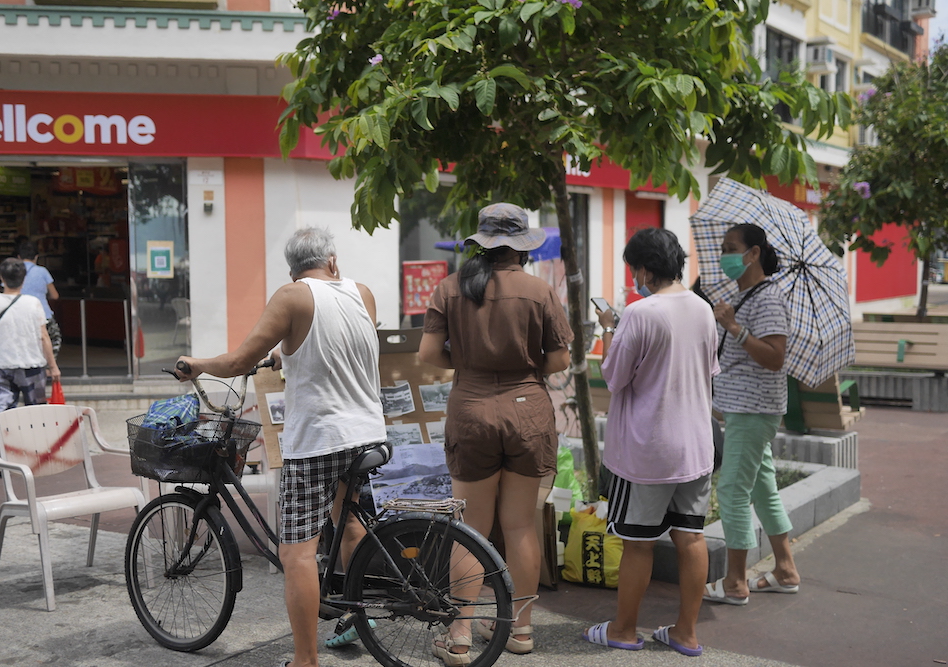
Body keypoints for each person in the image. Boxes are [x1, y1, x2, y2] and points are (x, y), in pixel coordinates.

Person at [174, 227, 386, 667]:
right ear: (332, 261)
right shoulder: (361, 293)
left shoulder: (292, 297)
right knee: (347, 524)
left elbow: (236, 363)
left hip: (319, 442)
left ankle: (305, 661)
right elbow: (336, 340)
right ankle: (358, 615)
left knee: (297, 553)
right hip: (366, 433)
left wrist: (196, 364)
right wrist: (287, 355)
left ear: (293, 271)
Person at [419, 203, 573, 664]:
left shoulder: (449, 288)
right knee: (520, 524)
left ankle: (461, 634)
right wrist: (524, 371)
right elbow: (561, 359)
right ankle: (519, 629)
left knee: (470, 528)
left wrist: (468, 364)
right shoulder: (539, 290)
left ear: (481, 242)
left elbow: (429, 353)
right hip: (529, 411)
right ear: (522, 247)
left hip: (471, 409)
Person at [580, 228, 717, 658]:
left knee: (638, 542)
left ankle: (623, 629)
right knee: (691, 538)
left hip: (648, 451)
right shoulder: (703, 309)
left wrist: (608, 331)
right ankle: (686, 634)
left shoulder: (640, 314)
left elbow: (615, 376)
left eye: (634, 270)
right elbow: (705, 368)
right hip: (696, 446)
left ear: (643, 269)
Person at [702, 222, 801, 606]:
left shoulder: (768, 298)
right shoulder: (744, 295)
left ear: (753, 253)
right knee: (763, 488)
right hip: (744, 409)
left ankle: (735, 582)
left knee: (731, 491)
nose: (725, 255)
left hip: (753, 409)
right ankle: (786, 570)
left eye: (731, 248)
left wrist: (733, 327)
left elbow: (775, 358)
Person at [0, 258, 61, 414]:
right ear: (24, 279)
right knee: (36, 415)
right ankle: (33, 438)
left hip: (0, 366)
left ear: (1, 277)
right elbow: (44, 337)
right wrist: (52, 366)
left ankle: (3, 438)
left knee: (1, 414)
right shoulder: (33, 303)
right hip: (31, 365)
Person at [16, 240, 61, 357]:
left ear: (19, 257)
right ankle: (48, 368)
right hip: (42, 314)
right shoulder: (42, 271)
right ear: (36, 257)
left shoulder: (14, 272)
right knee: (53, 340)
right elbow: (55, 295)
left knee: (23, 344)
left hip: (19, 314)